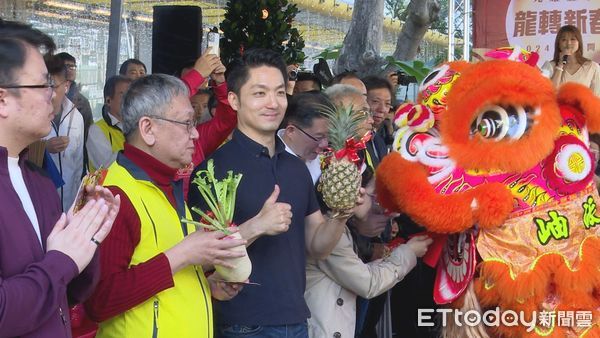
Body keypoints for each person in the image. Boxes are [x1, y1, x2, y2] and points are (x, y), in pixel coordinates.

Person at [189, 48, 365, 338]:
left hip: (296, 318)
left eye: (280, 93)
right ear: (234, 100)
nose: (273, 103)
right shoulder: (213, 170)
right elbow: (200, 259)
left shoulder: (296, 168)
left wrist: (341, 214)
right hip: (242, 325)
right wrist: (257, 226)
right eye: (259, 93)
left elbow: (317, 246)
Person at [85, 74, 251, 337]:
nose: (196, 133)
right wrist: (184, 253)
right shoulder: (115, 195)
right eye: (187, 123)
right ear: (148, 129)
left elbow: (161, 273)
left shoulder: (166, 183)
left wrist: (206, 285)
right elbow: (99, 301)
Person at [0, 19, 119, 337]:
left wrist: (85, 235)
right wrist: (62, 258)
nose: (53, 96)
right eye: (43, 85)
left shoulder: (39, 183)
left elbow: (64, 293)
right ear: (2, 99)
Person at [305, 169, 432, 338]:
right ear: (357, 191)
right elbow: (367, 283)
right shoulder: (330, 234)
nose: (377, 205)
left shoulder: (339, 227)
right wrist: (408, 253)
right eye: (374, 196)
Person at [43, 54, 86, 211]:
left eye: (53, 86)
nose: (49, 92)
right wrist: (44, 148)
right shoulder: (32, 115)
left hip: (69, 202)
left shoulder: (77, 117)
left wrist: (77, 204)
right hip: (41, 201)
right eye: (43, 86)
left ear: (66, 86)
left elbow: (79, 163)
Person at [279, 91, 331, 184]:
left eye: (329, 136)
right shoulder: (270, 161)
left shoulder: (326, 162)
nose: (325, 144)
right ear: (291, 131)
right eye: (318, 137)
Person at [86, 75, 132, 170]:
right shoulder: (96, 130)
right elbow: (107, 165)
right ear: (108, 101)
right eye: (123, 95)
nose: (128, 99)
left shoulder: (137, 126)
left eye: (131, 95)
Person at [541, 25, 600, 96]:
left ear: (579, 43)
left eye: (573, 39)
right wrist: (560, 65)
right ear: (558, 44)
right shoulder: (549, 66)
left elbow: (596, 97)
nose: (568, 43)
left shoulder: (592, 67)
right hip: (556, 107)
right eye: (564, 40)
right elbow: (548, 94)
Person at [55, 52, 93, 140]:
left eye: (73, 66)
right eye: (67, 66)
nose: (71, 69)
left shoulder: (82, 102)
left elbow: (88, 133)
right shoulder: (48, 97)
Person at [363, 76, 395, 148]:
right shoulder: (353, 142)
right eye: (375, 101)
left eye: (387, 104)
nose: (382, 109)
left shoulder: (381, 138)